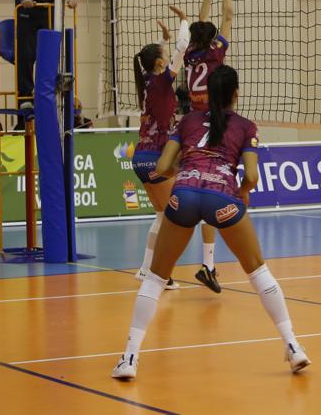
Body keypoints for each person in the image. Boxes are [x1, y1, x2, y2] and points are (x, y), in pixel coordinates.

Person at [111, 65, 309, 379]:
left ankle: (129, 358)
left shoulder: (187, 121)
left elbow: (162, 166)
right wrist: (242, 191)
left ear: (207, 94)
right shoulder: (246, 126)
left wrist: (187, 172)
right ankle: (293, 346)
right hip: (223, 199)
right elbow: (252, 176)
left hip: (184, 195)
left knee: (155, 278)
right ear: (235, 94)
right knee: (258, 272)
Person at [181, 0, 233, 293]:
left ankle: (209, 265)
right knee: (211, 192)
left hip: (190, 124)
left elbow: (202, 23)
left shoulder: (190, 53)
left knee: (201, 191)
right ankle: (206, 264)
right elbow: (228, 15)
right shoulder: (215, 54)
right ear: (211, 39)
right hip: (211, 126)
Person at [131, 6, 189, 291]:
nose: (168, 60)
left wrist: (163, 40)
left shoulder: (148, 81)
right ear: (159, 64)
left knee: (162, 216)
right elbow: (183, 47)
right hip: (156, 157)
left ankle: (146, 269)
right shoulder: (163, 80)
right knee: (172, 219)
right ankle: (157, 273)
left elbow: (155, 57)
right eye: (164, 57)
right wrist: (184, 21)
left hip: (141, 157)